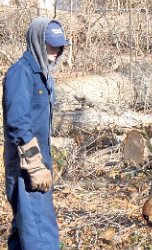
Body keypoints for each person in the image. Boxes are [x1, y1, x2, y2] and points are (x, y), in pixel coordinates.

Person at [3, 18, 70, 249]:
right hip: (26, 164)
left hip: (39, 160)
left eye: (60, 45)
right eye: (52, 45)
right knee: (39, 233)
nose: (57, 50)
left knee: (24, 229)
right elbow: (18, 122)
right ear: (38, 43)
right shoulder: (20, 72)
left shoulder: (43, 74)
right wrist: (34, 165)